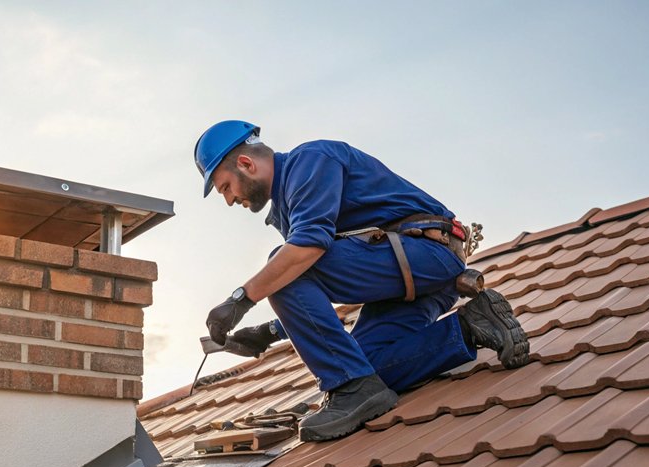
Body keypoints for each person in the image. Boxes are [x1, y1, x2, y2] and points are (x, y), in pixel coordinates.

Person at [196, 120, 529, 442]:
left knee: (287, 268)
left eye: (225, 187)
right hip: (412, 278)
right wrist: (268, 333)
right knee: (363, 368)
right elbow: (315, 296)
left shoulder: (310, 161)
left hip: (427, 253)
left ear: (246, 164)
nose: (229, 199)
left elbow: (305, 255)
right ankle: (473, 325)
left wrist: (240, 300)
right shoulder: (289, 207)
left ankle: (350, 389)